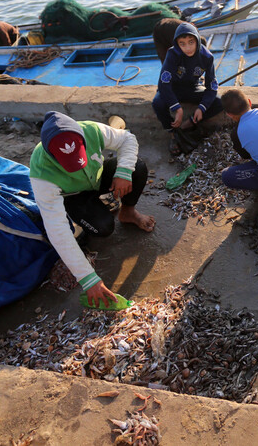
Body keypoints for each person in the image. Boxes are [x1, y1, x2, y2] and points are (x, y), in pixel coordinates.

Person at [29, 111, 156, 307]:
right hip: (74, 196)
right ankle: (83, 217)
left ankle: (127, 212)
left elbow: (128, 139)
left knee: (137, 168)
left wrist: (123, 172)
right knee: (103, 228)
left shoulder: (91, 130)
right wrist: (88, 279)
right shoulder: (41, 173)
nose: (77, 166)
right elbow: (57, 231)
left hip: (96, 177)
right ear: (51, 156)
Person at [152, 22, 223, 154]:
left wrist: (202, 107)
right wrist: (176, 108)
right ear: (177, 44)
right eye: (182, 43)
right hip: (173, 88)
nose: (188, 47)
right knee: (157, 103)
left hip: (193, 87)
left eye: (191, 42)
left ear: (197, 40)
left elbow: (212, 86)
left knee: (220, 101)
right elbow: (163, 83)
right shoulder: (173, 54)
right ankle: (173, 133)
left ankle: (190, 123)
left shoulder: (207, 57)